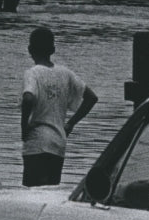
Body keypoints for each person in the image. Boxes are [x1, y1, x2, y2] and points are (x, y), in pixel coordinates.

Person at [20, 26, 98, 187]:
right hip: (58, 142)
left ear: (29, 49)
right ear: (53, 50)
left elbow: (28, 98)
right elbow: (91, 98)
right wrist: (70, 124)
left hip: (37, 141)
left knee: (31, 194)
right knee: (50, 192)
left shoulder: (32, 73)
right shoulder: (65, 73)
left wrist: (24, 128)